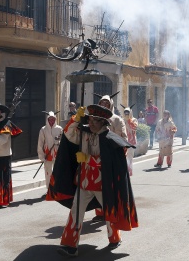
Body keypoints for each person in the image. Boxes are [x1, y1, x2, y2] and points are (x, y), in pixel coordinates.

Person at [55, 105, 138, 257]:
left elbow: (109, 163)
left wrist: (88, 159)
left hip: (102, 184)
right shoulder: (84, 133)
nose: (90, 123)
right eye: (90, 120)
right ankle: (70, 245)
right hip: (84, 182)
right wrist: (76, 118)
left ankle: (115, 237)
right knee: (75, 212)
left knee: (109, 212)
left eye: (94, 121)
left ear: (103, 122)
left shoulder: (110, 139)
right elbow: (68, 134)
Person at [92, 92, 128, 222]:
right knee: (96, 184)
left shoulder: (117, 119)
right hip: (96, 156)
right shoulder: (94, 118)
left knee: (110, 185)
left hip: (111, 155)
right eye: (102, 103)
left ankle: (110, 210)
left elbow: (123, 138)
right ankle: (99, 211)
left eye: (107, 103)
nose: (104, 105)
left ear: (111, 105)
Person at [37, 111, 63, 189]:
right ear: (47, 120)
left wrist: (58, 141)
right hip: (47, 154)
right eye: (50, 119)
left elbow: (63, 142)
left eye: (53, 119)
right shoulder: (43, 129)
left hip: (57, 153)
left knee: (58, 171)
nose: (51, 121)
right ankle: (49, 189)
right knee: (48, 172)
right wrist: (41, 156)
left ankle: (57, 188)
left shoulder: (59, 129)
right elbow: (40, 143)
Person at [122, 105, 138, 176]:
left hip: (132, 141)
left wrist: (129, 120)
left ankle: (129, 171)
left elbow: (135, 128)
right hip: (123, 141)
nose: (126, 114)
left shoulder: (134, 120)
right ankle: (124, 170)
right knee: (123, 156)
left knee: (130, 157)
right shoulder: (122, 120)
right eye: (125, 112)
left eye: (128, 113)